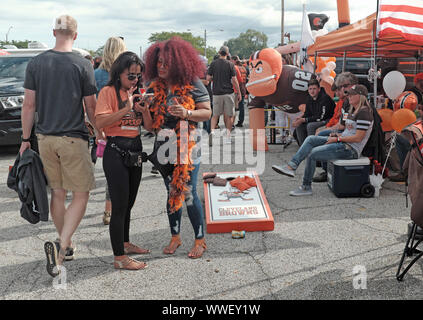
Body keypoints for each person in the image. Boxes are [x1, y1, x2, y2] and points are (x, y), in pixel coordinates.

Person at [20, 15, 98, 277]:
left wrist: (24, 139)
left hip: (44, 138)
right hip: (73, 138)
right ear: (75, 35)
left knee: (57, 193)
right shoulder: (82, 64)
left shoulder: (36, 62)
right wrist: (100, 132)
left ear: (54, 32)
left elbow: (29, 105)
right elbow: (91, 107)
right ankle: (62, 246)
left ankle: (67, 242)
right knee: (81, 194)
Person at [143, 37, 212, 259]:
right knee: (171, 191)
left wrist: (187, 113)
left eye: (166, 63)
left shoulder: (192, 82)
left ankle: (200, 240)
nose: (161, 66)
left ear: (178, 63)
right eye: (159, 62)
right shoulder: (153, 86)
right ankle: (176, 236)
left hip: (189, 143)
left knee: (188, 192)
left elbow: (207, 112)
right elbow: (150, 124)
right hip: (163, 144)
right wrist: (144, 109)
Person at [95, 52, 153, 270]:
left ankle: (125, 243)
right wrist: (126, 108)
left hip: (135, 149)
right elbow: (101, 122)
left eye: (138, 76)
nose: (135, 80)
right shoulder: (108, 92)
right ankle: (119, 257)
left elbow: (149, 128)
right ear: (118, 73)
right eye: (131, 75)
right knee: (119, 206)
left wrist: (143, 110)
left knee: (128, 204)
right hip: (115, 150)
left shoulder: (137, 92)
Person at [272, 84, 374, 196]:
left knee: (312, 154)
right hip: (343, 142)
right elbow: (344, 128)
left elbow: (358, 138)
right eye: (348, 94)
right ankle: (291, 166)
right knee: (311, 139)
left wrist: (337, 139)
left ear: (361, 96)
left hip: (350, 149)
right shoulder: (352, 110)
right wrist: (334, 134)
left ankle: (306, 187)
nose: (349, 97)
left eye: (352, 95)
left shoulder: (364, 112)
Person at [94, 36, 127, 225]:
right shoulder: (123, 74)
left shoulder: (96, 74)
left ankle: (109, 210)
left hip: (102, 125)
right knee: (118, 172)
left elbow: (91, 103)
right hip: (121, 126)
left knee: (107, 169)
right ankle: (110, 209)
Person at [390, 72, 423, 182]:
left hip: (417, 128)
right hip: (415, 125)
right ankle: (407, 171)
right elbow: (411, 111)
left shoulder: (415, 92)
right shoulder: (413, 93)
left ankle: (406, 171)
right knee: (403, 138)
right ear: (418, 82)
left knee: (404, 140)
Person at [207, 46, 241, 145]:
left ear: (219, 52)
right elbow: (234, 80)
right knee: (229, 115)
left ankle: (212, 132)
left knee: (215, 115)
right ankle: (227, 137)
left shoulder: (213, 64)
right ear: (227, 53)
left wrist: (216, 78)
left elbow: (208, 78)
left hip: (216, 93)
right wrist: (238, 92)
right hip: (228, 93)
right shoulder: (230, 65)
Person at [293, 78, 335, 146]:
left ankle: (312, 146)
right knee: (299, 125)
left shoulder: (325, 98)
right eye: (310, 89)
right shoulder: (309, 98)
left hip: (328, 119)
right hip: (316, 119)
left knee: (311, 126)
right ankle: (303, 146)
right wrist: (299, 120)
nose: (312, 91)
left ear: (319, 89)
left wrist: (304, 119)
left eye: (314, 89)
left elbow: (321, 117)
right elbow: (307, 113)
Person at [232, 55, 247, 128]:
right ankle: (241, 121)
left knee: (235, 107)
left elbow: (237, 80)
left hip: (237, 88)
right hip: (243, 88)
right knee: (241, 107)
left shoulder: (235, 68)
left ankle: (235, 122)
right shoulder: (244, 68)